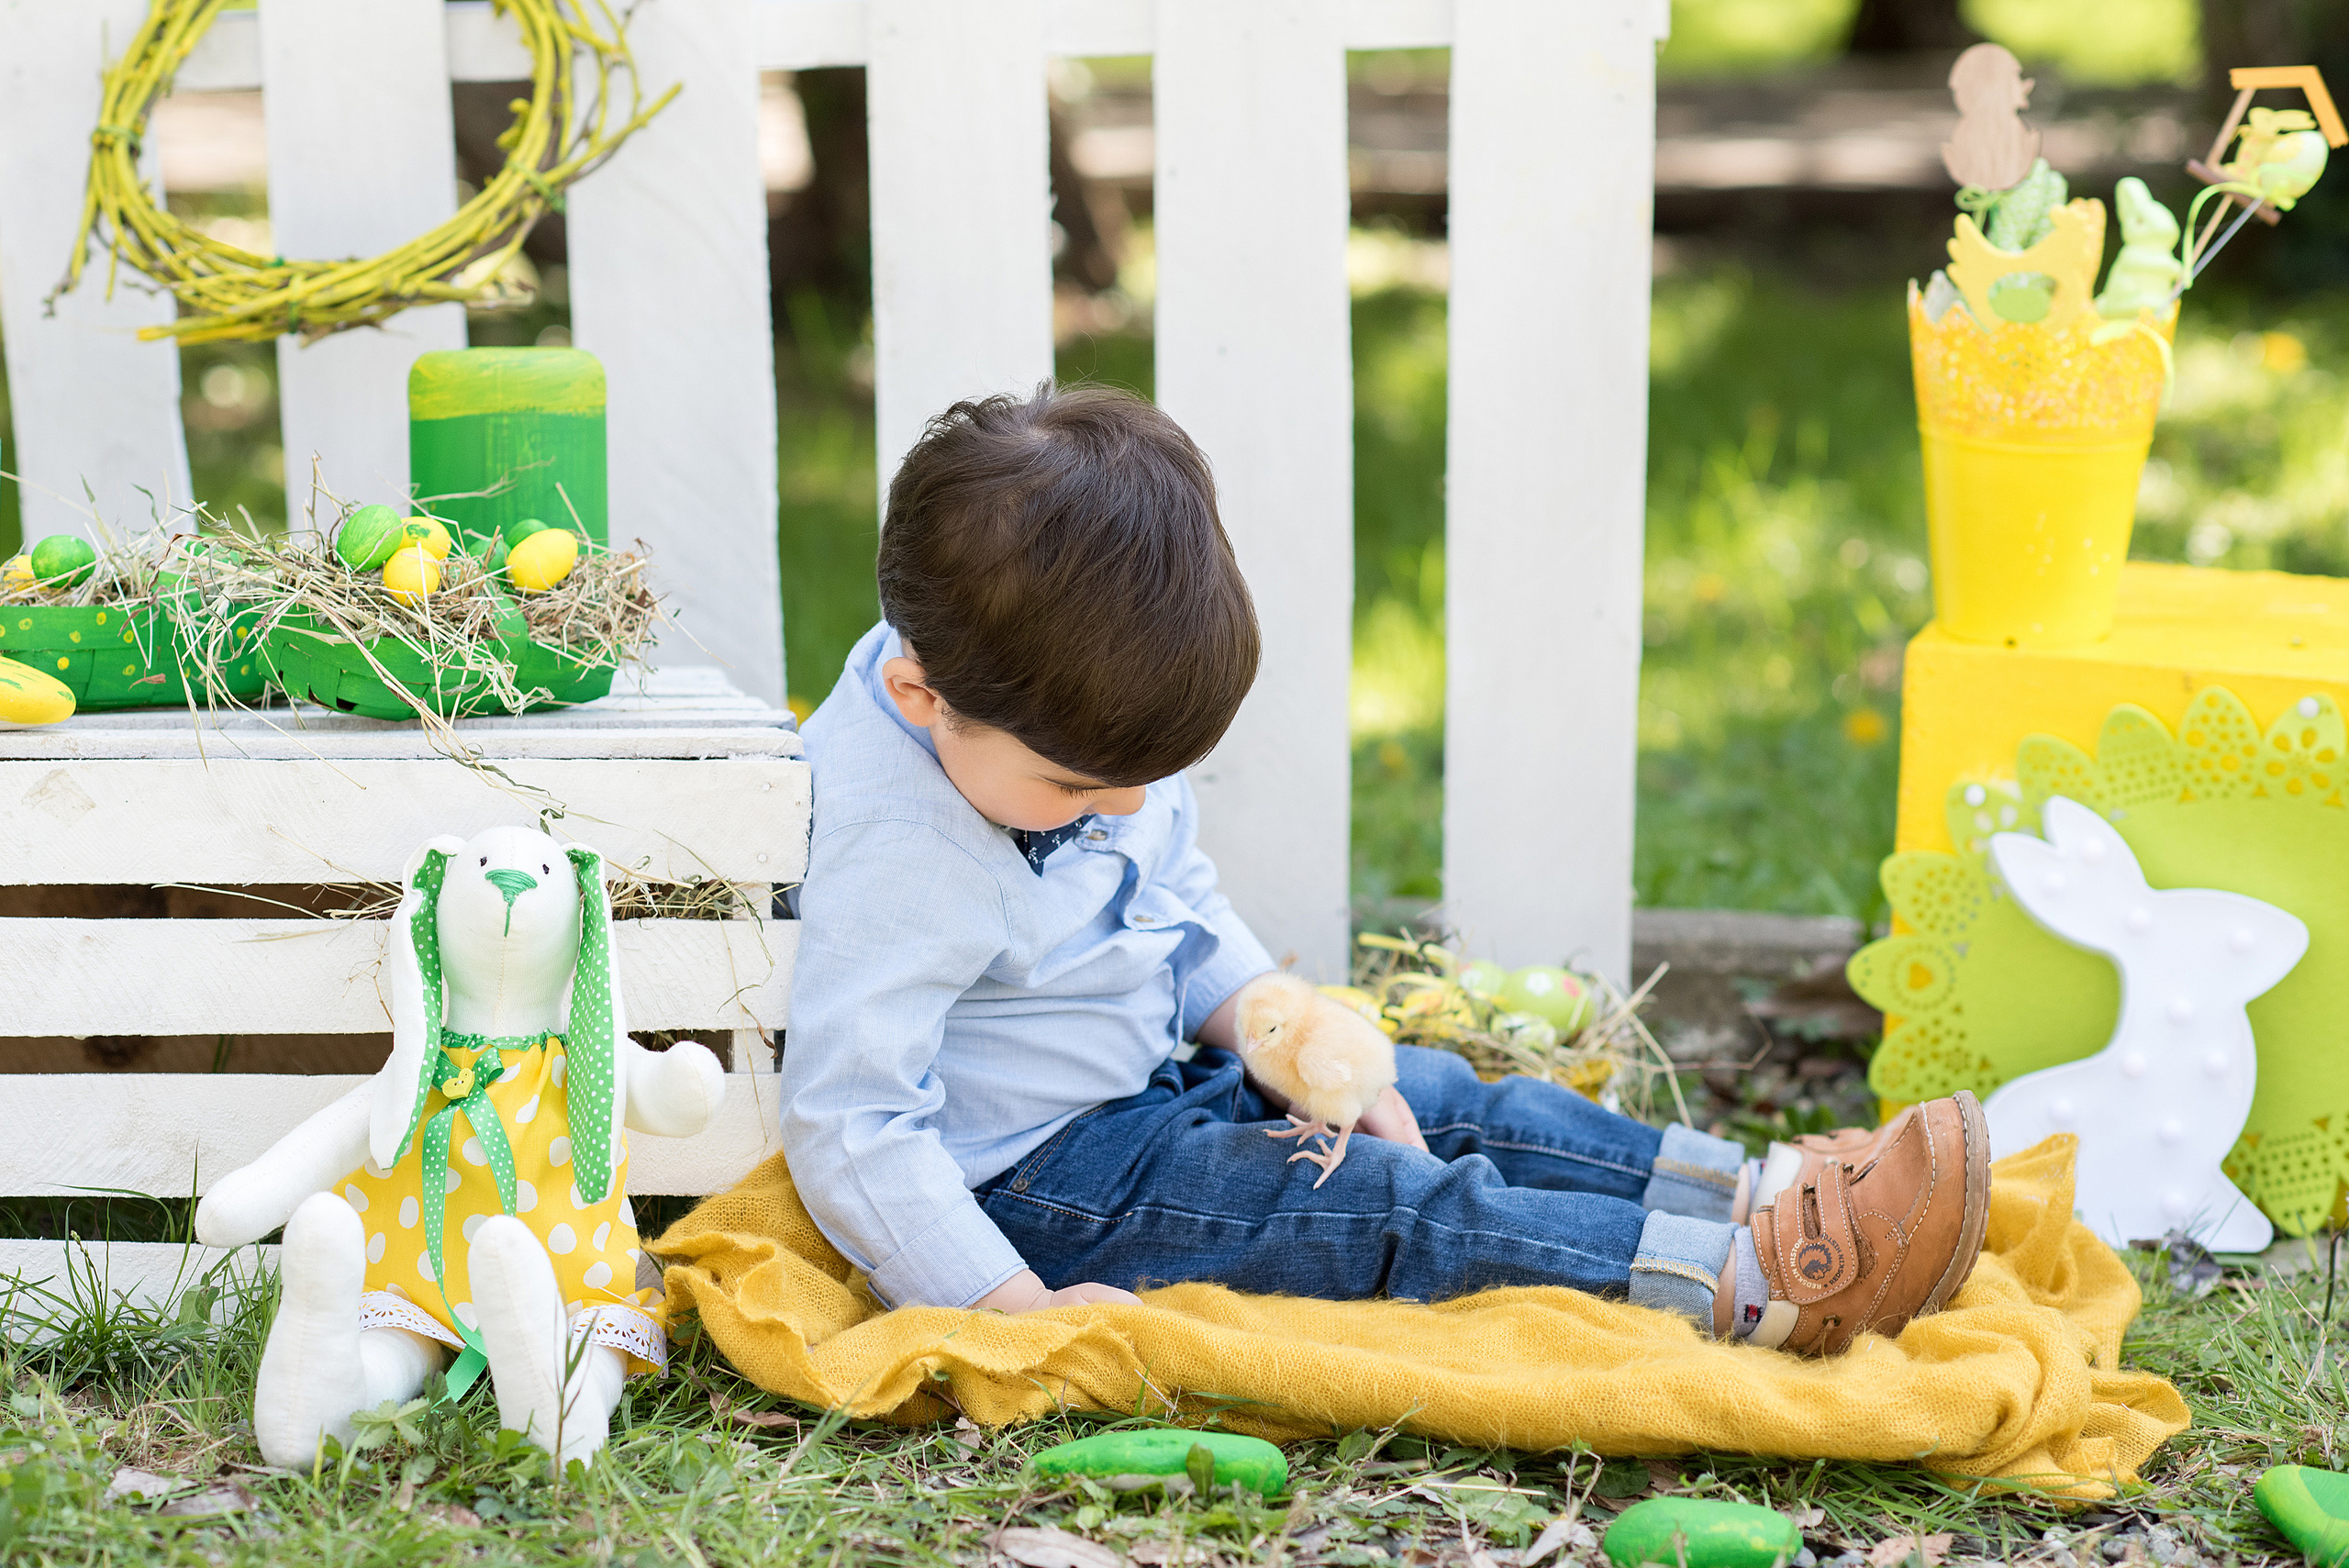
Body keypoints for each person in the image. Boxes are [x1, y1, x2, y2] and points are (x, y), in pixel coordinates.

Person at [782, 384, 1988, 1355]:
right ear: (916, 697)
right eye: (1087, 789)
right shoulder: (902, 854)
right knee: (1382, 1206)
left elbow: (1177, 902)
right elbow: (855, 1119)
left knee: (1449, 1096)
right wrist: (1007, 1304)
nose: (1131, 807)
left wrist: (1275, 1024)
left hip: (1159, 1078)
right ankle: (1755, 1282)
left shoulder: (1028, 715)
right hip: (1051, 1184)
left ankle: (1754, 1186)